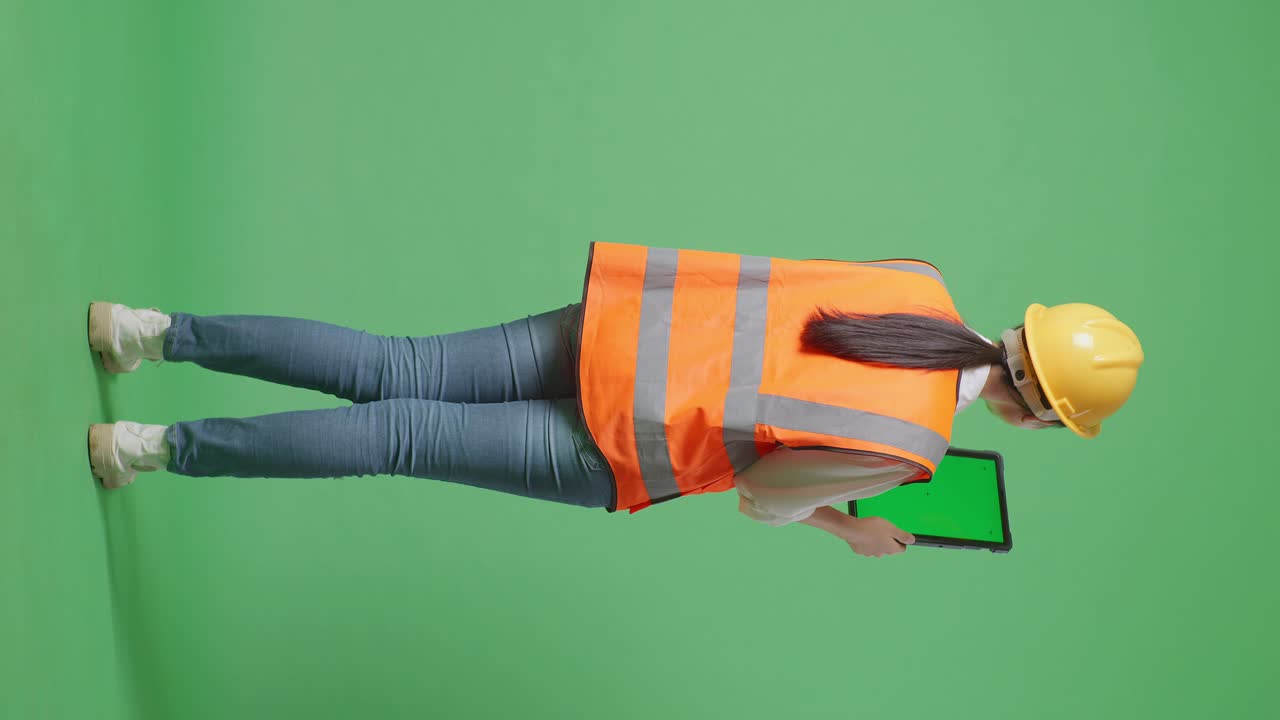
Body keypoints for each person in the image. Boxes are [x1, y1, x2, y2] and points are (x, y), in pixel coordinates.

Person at [86, 241, 1144, 559]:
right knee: (397, 436)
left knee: (390, 365)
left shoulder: (918, 285)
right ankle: (143, 446)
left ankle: (145, 332)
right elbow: (762, 493)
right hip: (618, 440)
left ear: (1024, 335)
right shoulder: (909, 447)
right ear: (1043, 412)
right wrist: (843, 526)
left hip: (617, 323)